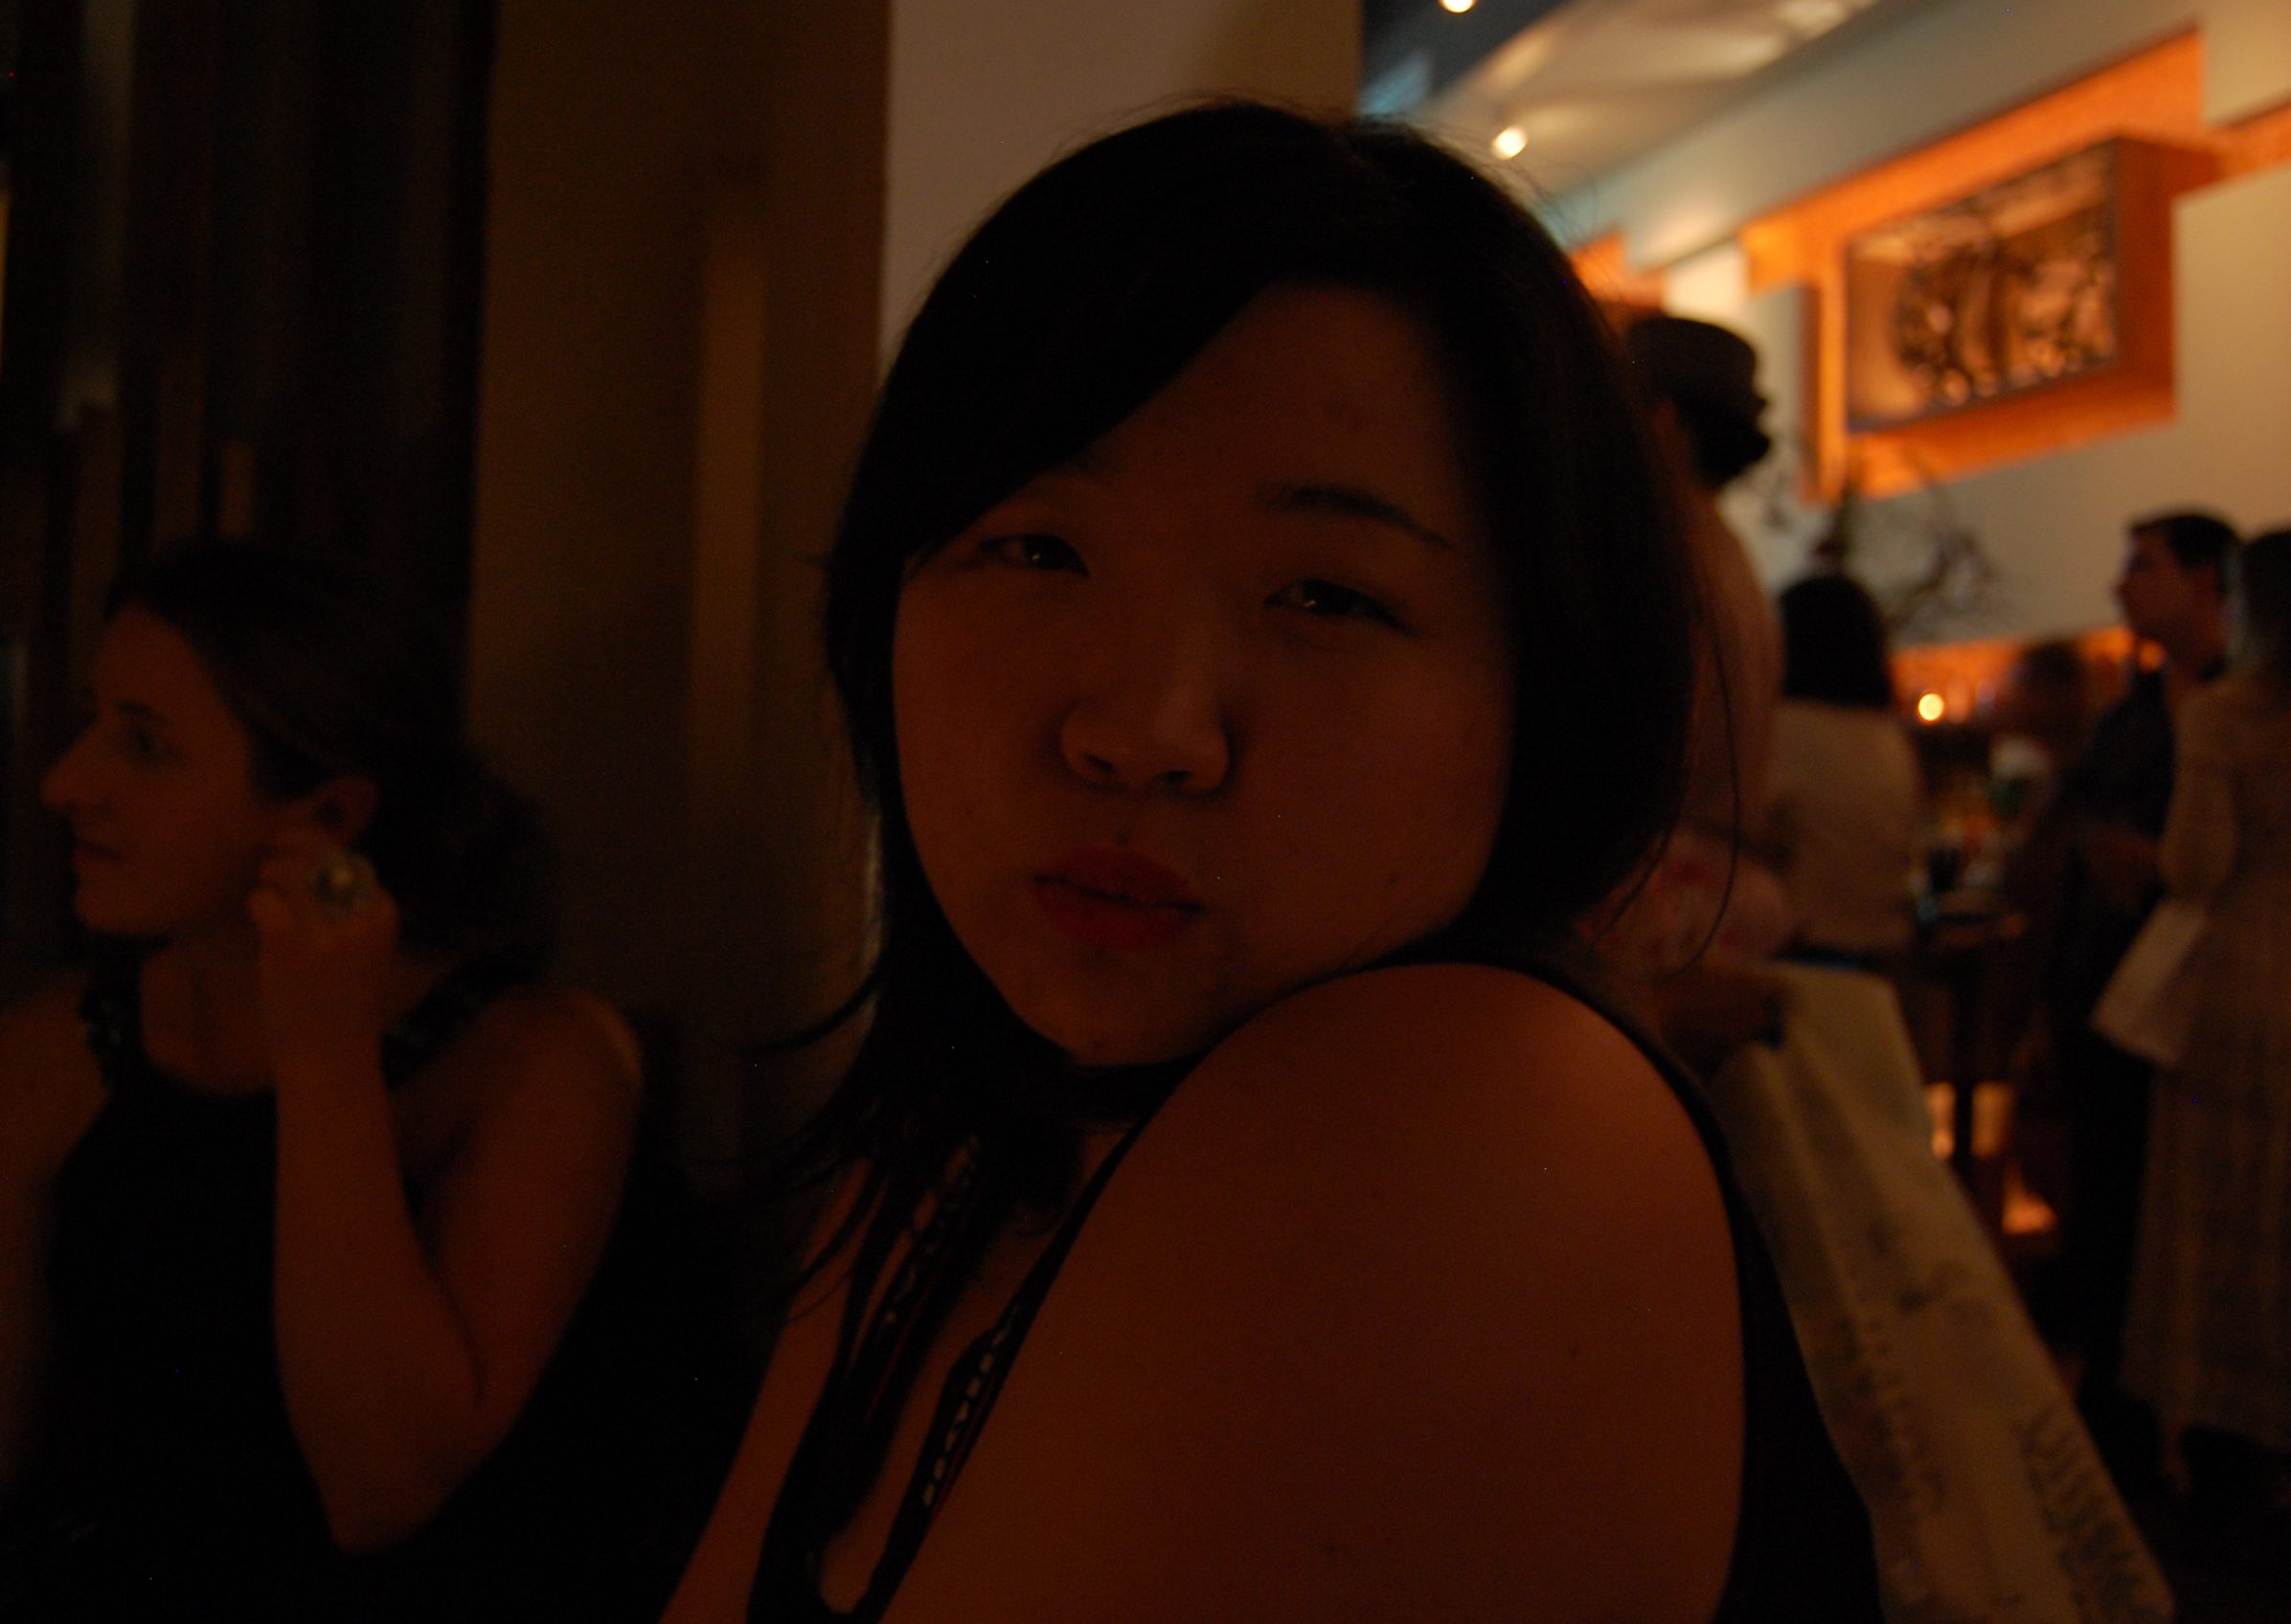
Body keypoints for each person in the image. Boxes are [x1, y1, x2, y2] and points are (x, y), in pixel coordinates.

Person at [663, 102, 1878, 1621]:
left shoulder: (1452, 1125)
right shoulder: (967, 1126)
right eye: (1038, 548)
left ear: (1539, 684)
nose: (1145, 732)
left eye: (1327, 596)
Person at [0, 542, 727, 1621]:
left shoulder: (536, 1063)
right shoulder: (56, 1051)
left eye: (145, 745)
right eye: (90, 723)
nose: (63, 783)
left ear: (330, 820)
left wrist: (323, 1045)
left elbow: (381, 1485)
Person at [2038, 508, 2237, 1485]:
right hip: (2109, 997)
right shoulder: (2126, 716)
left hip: (2213, 1009)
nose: (2121, 585)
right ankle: (2114, 1415)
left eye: (2144, 566)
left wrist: (2156, 864)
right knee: (2105, 1207)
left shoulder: (2247, 707)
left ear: (2207, 580)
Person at [2123, 525, 2291, 1521]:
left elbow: (2195, 864)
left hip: (2240, 985)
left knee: (2219, 1226)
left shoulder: (2226, 714)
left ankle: (2221, 1452)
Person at [1593, 314, 1796, 1073]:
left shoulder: (1660, 562)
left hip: (1656, 903)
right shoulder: (1732, 559)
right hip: (1722, 892)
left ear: (1663, 421)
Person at [1767, 572, 1922, 968]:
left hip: (1806, 953)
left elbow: (1738, 834)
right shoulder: (1889, 737)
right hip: (1885, 955)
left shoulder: (1786, 731)